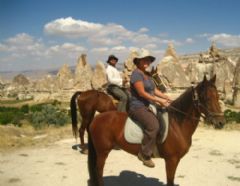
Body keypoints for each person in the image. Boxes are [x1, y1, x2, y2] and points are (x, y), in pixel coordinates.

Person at [128, 49, 172, 168]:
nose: (147, 62)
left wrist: (165, 97)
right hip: (138, 106)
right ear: (139, 61)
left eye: (148, 60)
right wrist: (159, 100)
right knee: (154, 126)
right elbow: (142, 93)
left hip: (148, 104)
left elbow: (153, 90)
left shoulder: (146, 74)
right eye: (144, 59)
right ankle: (144, 154)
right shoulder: (136, 74)